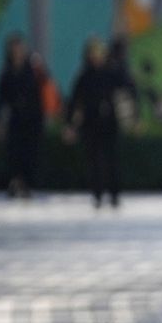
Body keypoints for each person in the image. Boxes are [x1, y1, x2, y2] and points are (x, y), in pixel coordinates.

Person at [66, 39, 125, 208]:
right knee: (94, 161)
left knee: (112, 160)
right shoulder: (84, 76)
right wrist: (71, 125)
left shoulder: (114, 72)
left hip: (110, 122)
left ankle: (114, 194)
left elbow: (127, 92)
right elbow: (75, 101)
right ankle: (97, 194)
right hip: (91, 123)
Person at [0, 34, 45, 198]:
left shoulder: (32, 72)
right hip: (15, 120)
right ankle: (15, 182)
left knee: (29, 154)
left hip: (31, 120)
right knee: (14, 154)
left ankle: (26, 184)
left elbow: (39, 97)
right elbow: (0, 100)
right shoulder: (7, 73)